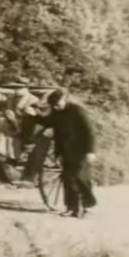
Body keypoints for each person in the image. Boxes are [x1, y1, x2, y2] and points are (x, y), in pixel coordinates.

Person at [32, 88, 98, 218]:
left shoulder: (77, 110)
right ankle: (71, 207)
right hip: (64, 150)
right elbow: (47, 122)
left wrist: (91, 151)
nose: (56, 106)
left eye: (58, 103)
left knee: (81, 178)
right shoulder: (57, 112)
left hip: (81, 150)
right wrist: (34, 115)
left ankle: (87, 206)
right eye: (54, 105)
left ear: (64, 99)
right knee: (68, 179)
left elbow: (89, 131)